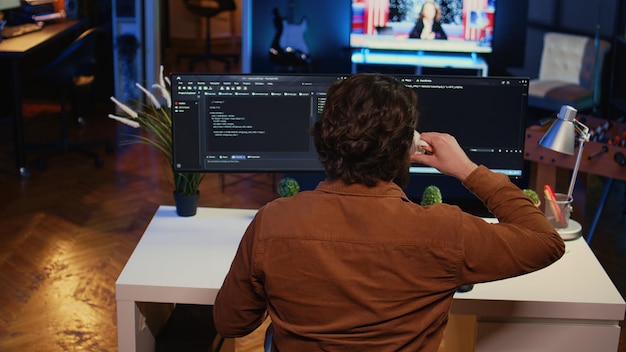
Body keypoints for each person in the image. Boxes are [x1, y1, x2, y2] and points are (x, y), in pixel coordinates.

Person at [213, 74, 565, 351]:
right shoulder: (444, 232)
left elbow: (232, 323)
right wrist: (468, 169)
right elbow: (545, 241)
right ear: (408, 148)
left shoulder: (273, 221)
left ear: (322, 140)